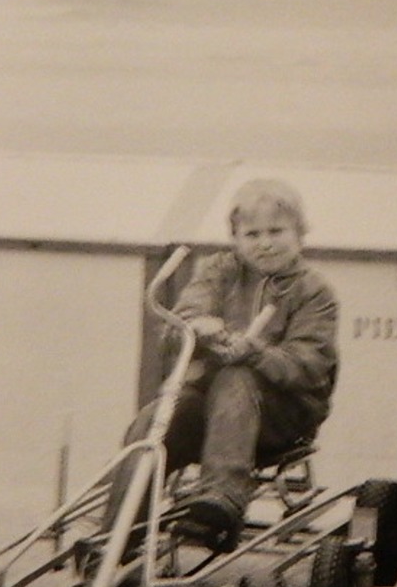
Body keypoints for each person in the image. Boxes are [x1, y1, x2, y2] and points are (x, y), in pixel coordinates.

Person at [114, 178, 339, 547]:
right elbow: (179, 325)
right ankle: (116, 540)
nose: (265, 243)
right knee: (155, 419)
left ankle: (222, 500)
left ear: (300, 234)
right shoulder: (220, 271)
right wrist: (198, 328)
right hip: (211, 409)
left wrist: (256, 353)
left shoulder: (314, 291)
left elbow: (309, 365)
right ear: (235, 238)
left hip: (281, 416)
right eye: (252, 234)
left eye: (276, 231)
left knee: (237, 375)